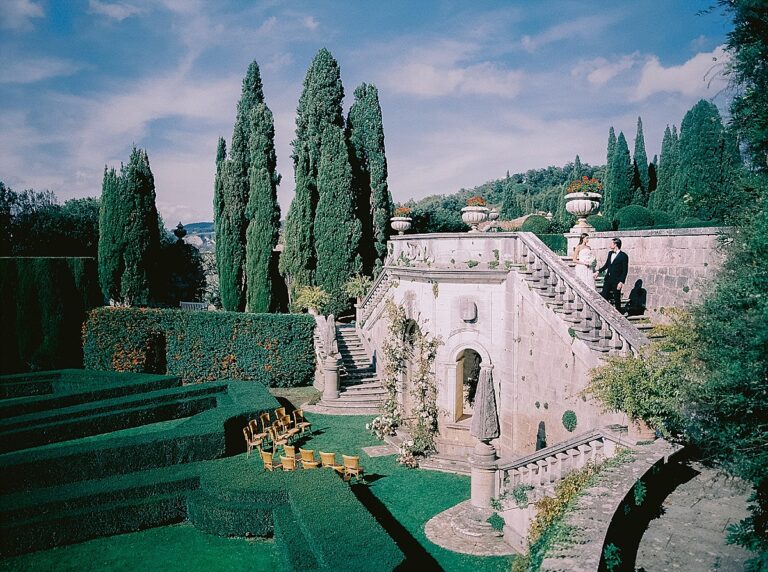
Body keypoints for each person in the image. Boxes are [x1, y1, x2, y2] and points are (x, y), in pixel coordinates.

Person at [595, 237, 628, 312]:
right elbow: (606, 265)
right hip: (608, 279)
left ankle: (619, 314)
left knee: (617, 298)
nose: (610, 245)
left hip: (616, 280)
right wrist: (598, 271)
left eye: (611, 243)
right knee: (604, 295)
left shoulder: (623, 256)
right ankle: (604, 311)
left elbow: (625, 270)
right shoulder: (610, 253)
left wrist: (621, 282)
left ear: (615, 244)